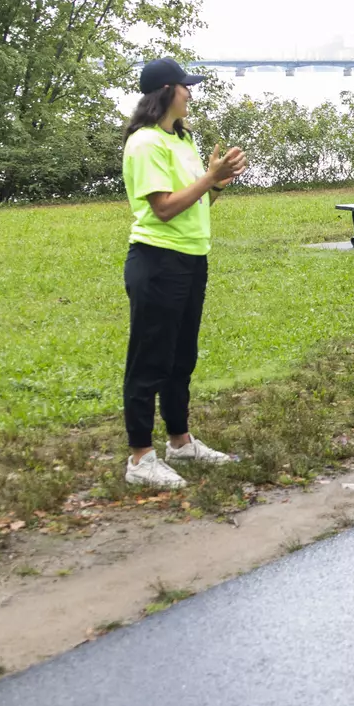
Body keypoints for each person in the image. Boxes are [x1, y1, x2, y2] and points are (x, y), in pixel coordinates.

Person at [120, 58, 248, 489]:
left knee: (180, 358)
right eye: (185, 86)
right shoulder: (145, 143)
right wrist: (208, 177)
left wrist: (215, 185)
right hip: (157, 260)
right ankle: (140, 458)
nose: (191, 92)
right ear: (165, 92)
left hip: (191, 259)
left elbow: (194, 203)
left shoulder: (181, 140)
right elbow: (165, 208)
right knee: (149, 361)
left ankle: (180, 441)